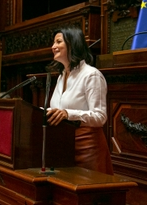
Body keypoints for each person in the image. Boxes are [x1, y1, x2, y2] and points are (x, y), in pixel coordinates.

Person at [46, 26, 114, 175]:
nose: (53, 47)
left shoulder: (91, 75)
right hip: (63, 147)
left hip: (88, 149)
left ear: (72, 43)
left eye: (58, 42)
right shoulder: (61, 76)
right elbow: (58, 110)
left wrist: (68, 114)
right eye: (53, 43)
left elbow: (100, 117)